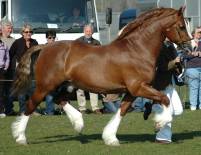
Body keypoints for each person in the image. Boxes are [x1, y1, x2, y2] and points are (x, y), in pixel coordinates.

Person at [143, 40, 183, 144]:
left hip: (170, 83)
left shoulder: (171, 46)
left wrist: (179, 65)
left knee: (179, 110)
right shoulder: (158, 47)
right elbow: (163, 66)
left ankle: (151, 107)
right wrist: (174, 62)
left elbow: (176, 65)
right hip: (160, 84)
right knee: (167, 113)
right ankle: (162, 138)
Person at [9, 24, 39, 115]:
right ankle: (22, 111)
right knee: (21, 93)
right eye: (26, 32)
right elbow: (10, 55)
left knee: (33, 92)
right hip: (20, 71)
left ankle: (33, 110)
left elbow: (38, 55)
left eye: (30, 32)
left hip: (32, 71)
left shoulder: (35, 42)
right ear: (22, 33)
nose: (28, 33)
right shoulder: (17, 42)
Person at [76, 24, 102, 114]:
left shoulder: (97, 43)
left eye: (90, 31)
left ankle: (95, 108)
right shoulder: (78, 42)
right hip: (80, 68)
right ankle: (82, 108)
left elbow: (100, 56)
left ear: (92, 32)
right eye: (87, 31)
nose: (88, 33)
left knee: (93, 88)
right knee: (80, 89)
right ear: (84, 31)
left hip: (92, 69)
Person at [0, 19, 16, 116]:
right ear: (2, 28)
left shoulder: (14, 41)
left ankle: (9, 110)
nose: (10, 30)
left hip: (10, 70)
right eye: (8, 28)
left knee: (9, 91)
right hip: (1, 69)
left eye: (11, 28)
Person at [185, 26, 201, 110]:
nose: (200, 34)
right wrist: (193, 54)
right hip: (192, 67)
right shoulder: (188, 43)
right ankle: (193, 106)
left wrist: (198, 53)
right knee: (194, 87)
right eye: (199, 32)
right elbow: (184, 55)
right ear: (193, 34)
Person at [44, 30, 56, 115]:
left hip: (57, 74)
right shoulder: (44, 48)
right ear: (46, 38)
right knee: (49, 93)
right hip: (46, 74)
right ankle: (49, 111)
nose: (52, 39)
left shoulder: (58, 47)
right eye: (50, 38)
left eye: (53, 38)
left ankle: (58, 110)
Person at [0, 39, 9, 118]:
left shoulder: (4, 45)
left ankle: (1, 111)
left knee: (1, 92)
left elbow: (7, 58)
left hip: (1, 70)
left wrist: (5, 68)